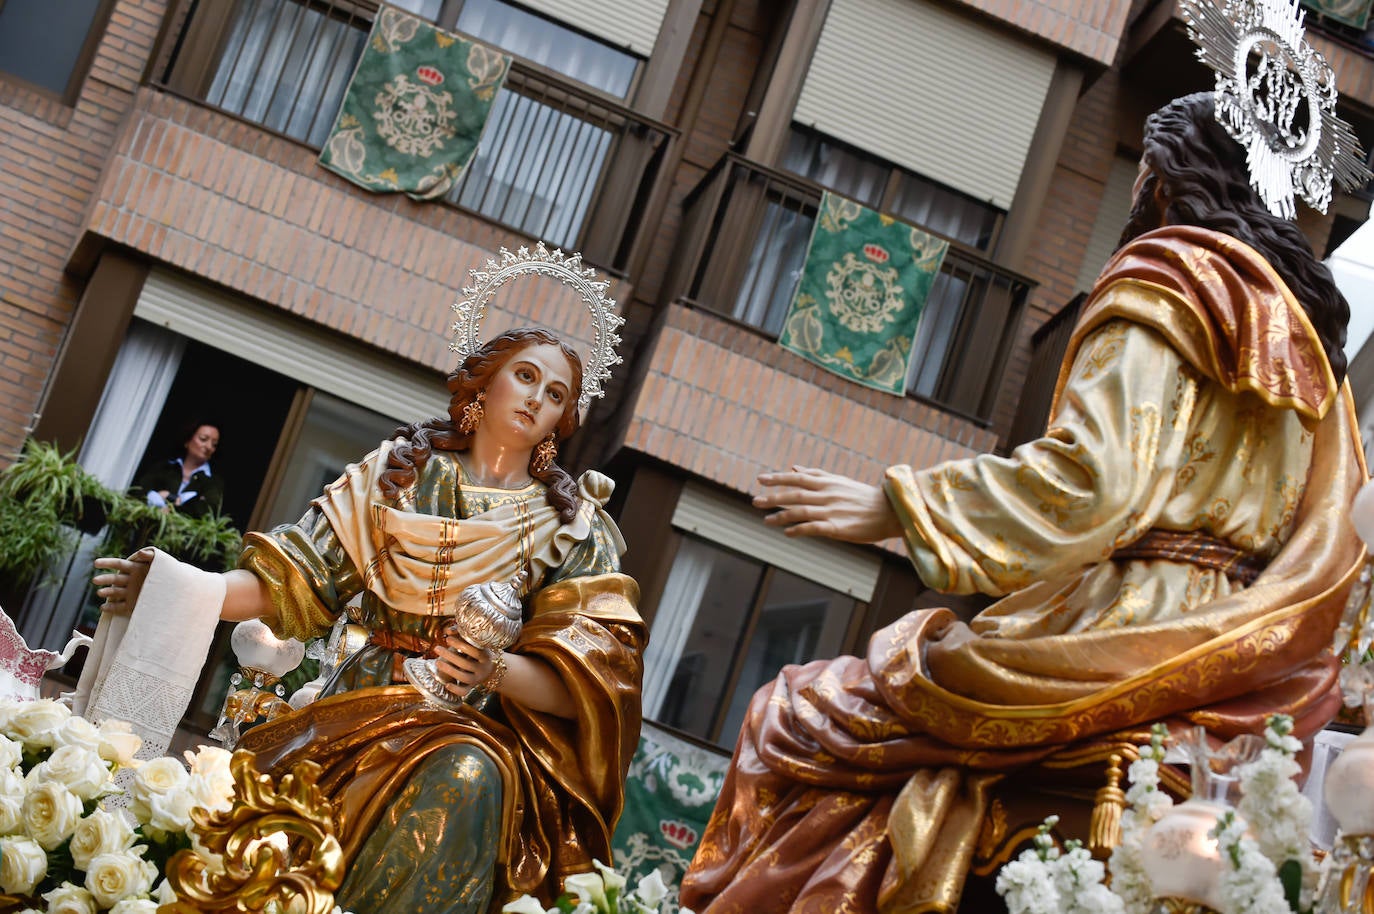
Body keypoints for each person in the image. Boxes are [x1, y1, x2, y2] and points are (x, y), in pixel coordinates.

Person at [680, 92, 1367, 914]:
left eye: (1142, 171)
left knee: (801, 715)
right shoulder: (1309, 340)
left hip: (1127, 632)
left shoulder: (1170, 281)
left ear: (1166, 178)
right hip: (1244, 654)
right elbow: (1336, 525)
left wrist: (897, 508)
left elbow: (1094, 486)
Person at [94, 327, 645, 914]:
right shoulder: (395, 477)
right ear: (485, 382)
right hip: (357, 709)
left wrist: (491, 668)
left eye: (557, 395)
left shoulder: (573, 528)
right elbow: (293, 583)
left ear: (561, 422)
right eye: (527, 376)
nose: (537, 399)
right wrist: (182, 585)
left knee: (466, 774)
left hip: (474, 728)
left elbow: (592, 687)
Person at [131, 421, 225, 518]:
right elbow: (139, 493)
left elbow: (205, 511)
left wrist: (169, 499)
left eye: (214, 444)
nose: (209, 447)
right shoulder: (164, 468)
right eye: (203, 439)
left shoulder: (213, 482)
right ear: (187, 440)